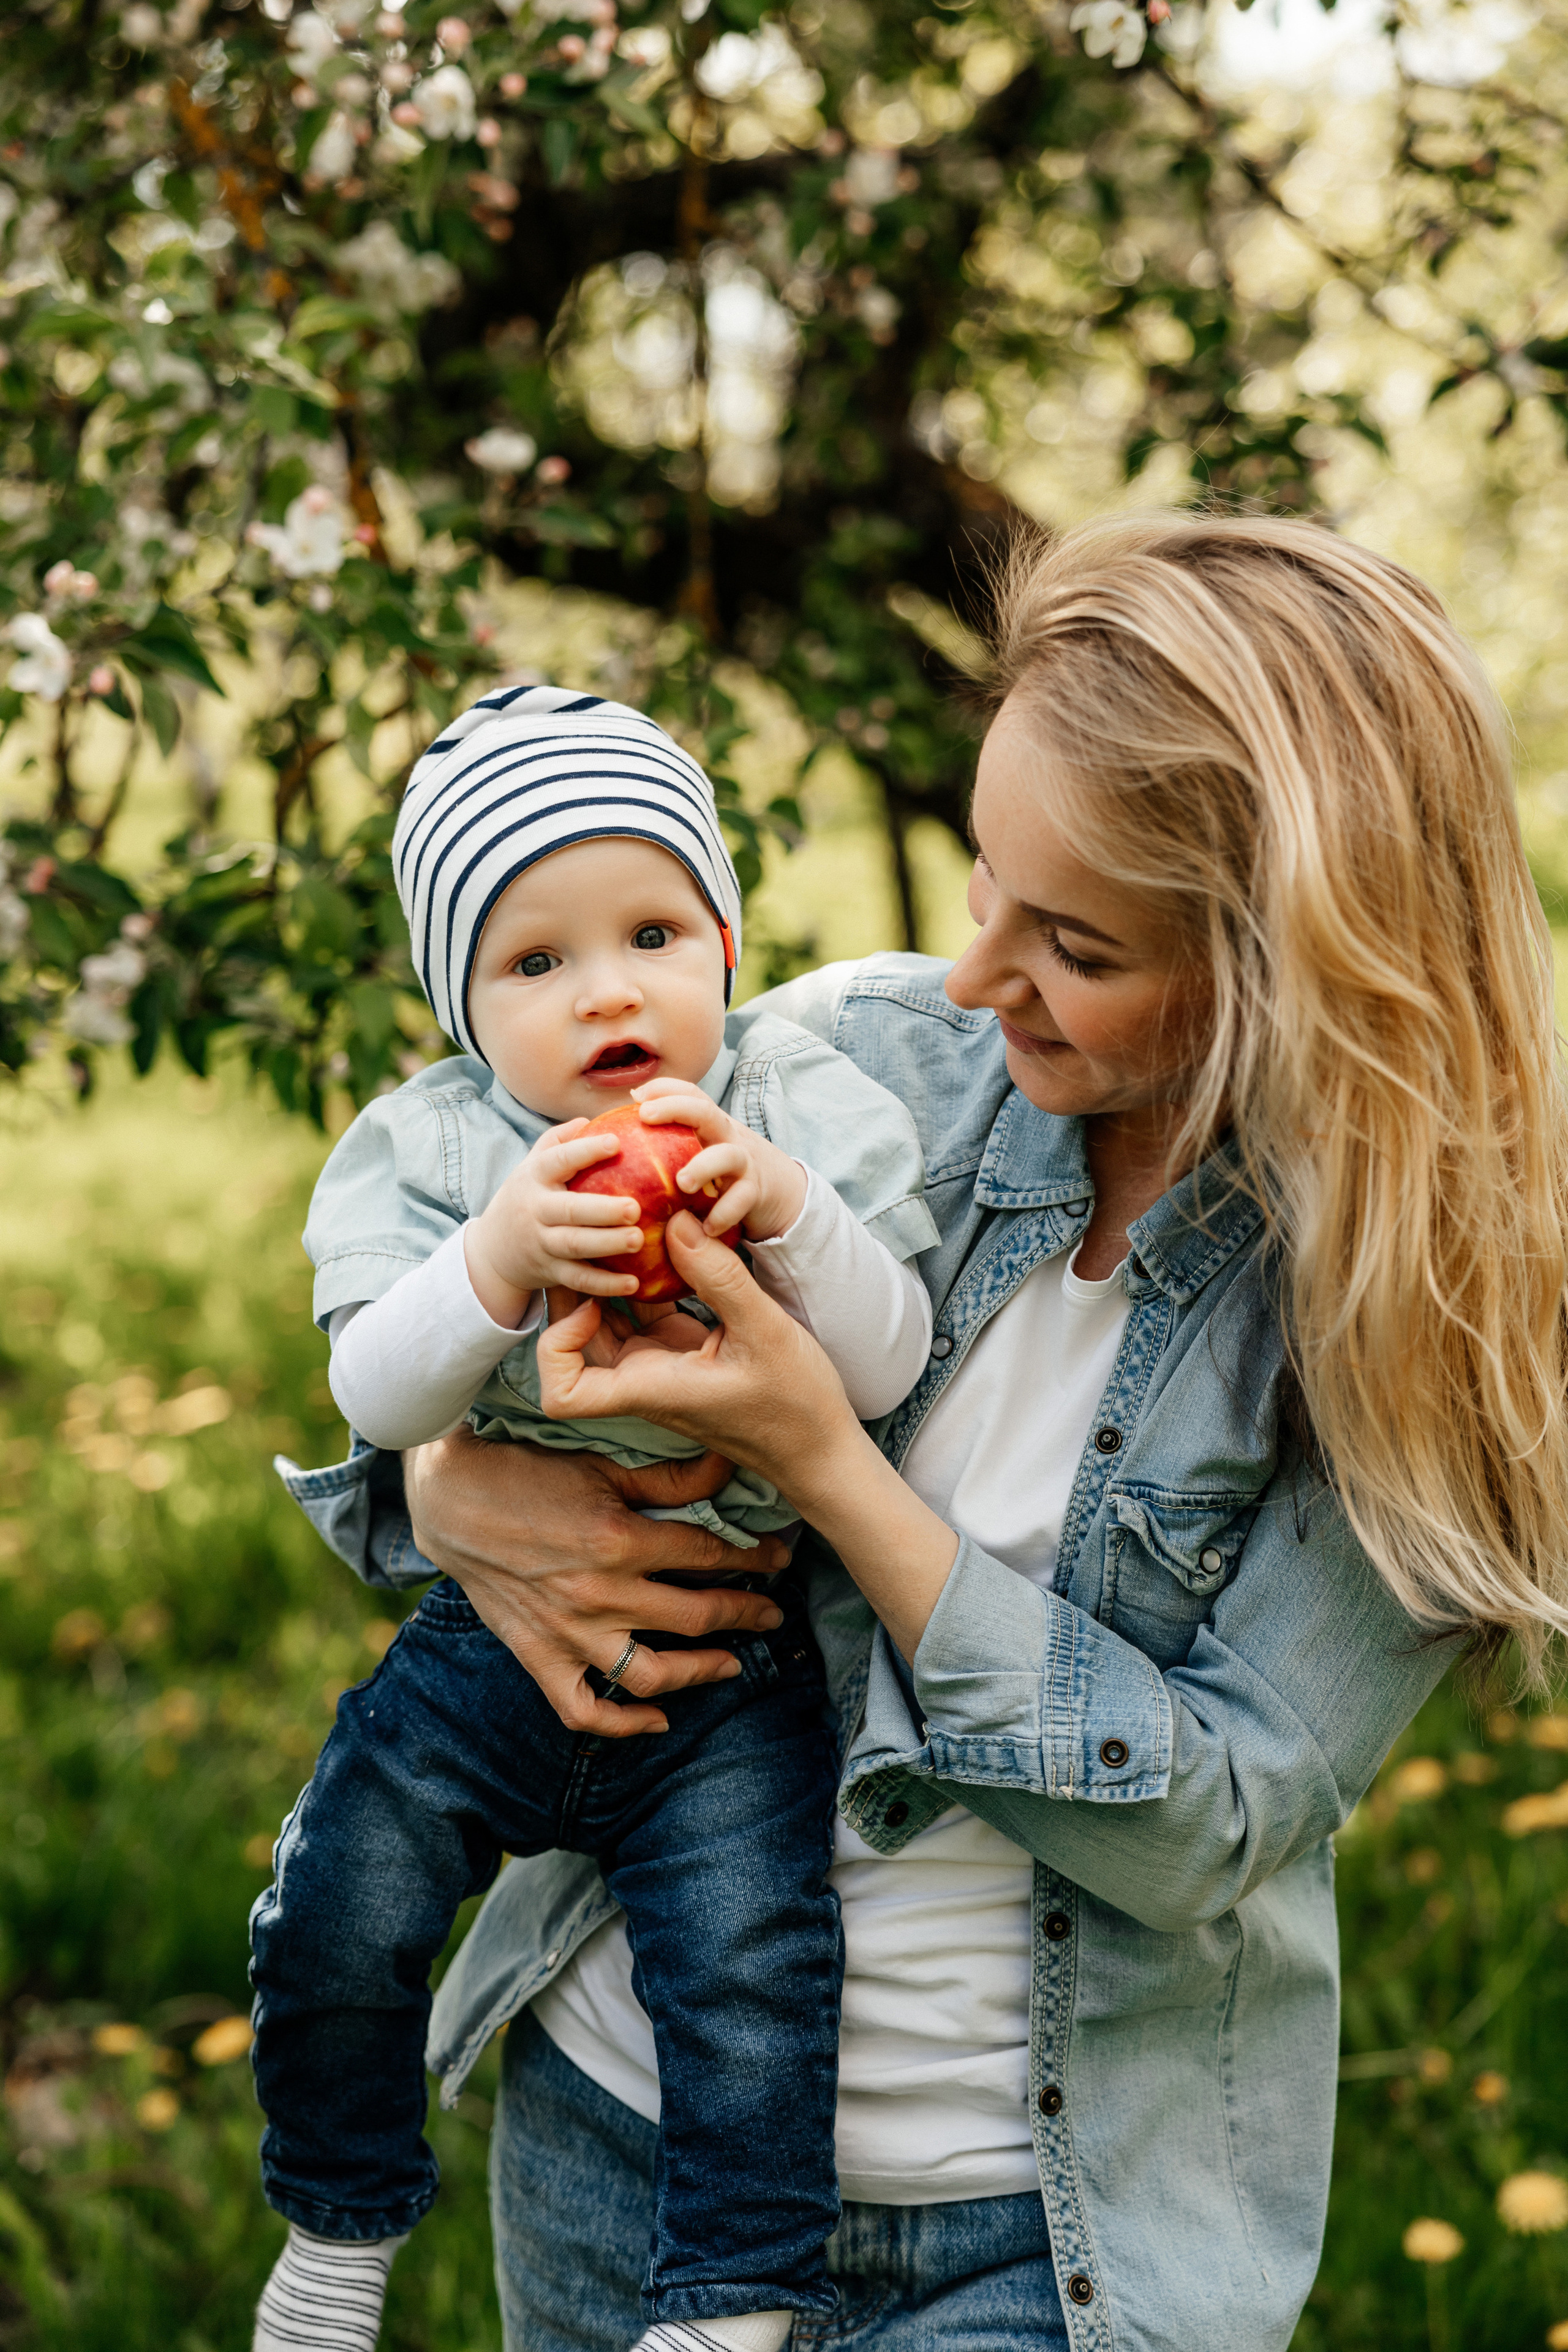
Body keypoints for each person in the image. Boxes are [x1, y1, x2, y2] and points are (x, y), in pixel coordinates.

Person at [283, 514, 1568, 2352]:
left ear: (1289, 963)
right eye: (984, 886)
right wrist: (446, 1487)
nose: (974, 977)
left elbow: (1216, 1821)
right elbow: (430, 1306)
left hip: (1042, 2243)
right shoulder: (854, 1067)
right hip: (622, 2137)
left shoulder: (1423, 1310)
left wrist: (829, 1465)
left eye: (1073, 946)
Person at [253, 686, 940, 2352]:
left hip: (727, 1650)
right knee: (339, 1894)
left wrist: (791, 1217)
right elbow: (379, 1398)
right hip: (487, 1641)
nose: (609, 988)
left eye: (651, 929)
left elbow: (892, 1356)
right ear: (463, 1004)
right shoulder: (431, 1147)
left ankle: (729, 2297)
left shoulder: (798, 1108)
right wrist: (493, 1257)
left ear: (723, 934)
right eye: (535, 961)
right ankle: (339, 2218)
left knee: (755, 1969)